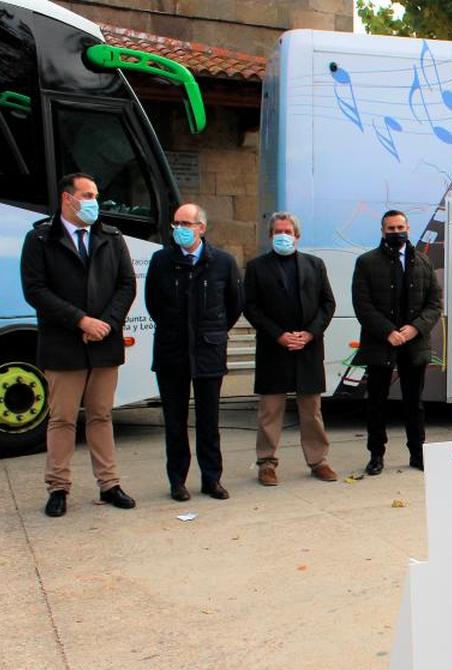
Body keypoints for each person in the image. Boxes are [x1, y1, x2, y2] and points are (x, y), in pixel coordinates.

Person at [20, 173, 137, 517]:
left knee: (101, 415)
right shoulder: (40, 238)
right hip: (63, 344)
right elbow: (36, 290)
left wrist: (106, 324)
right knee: (63, 419)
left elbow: (126, 285)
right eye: (87, 195)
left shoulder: (111, 237)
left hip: (104, 343)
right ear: (67, 199)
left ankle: (109, 483)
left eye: (96, 195)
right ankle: (58, 487)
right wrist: (80, 321)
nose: (94, 201)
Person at [145, 203, 243, 501]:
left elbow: (234, 305)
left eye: (187, 224)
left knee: (208, 421)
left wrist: (212, 331)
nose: (180, 229)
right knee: (174, 422)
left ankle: (211, 479)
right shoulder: (161, 260)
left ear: (201, 227)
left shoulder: (223, 262)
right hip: (171, 352)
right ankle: (177, 481)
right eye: (177, 223)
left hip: (208, 351)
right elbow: (153, 303)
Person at [243, 212, 338, 485]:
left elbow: (327, 304)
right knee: (270, 411)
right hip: (274, 348)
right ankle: (266, 464)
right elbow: (251, 307)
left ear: (297, 236)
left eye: (288, 231)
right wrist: (279, 335)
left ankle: (318, 461)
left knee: (312, 410)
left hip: (308, 348)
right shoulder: (257, 267)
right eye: (277, 231)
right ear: (270, 235)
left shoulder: (315, 265)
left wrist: (309, 334)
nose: (283, 235)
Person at [351, 210, 442, 474]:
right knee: (376, 403)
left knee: (414, 403)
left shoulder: (423, 262)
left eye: (400, 227)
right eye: (390, 228)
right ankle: (376, 456)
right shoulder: (366, 262)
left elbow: (434, 303)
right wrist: (387, 332)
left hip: (414, 344)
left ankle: (417, 453)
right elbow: (362, 304)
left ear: (408, 228)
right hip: (380, 343)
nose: (396, 231)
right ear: (382, 231)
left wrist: (415, 329)